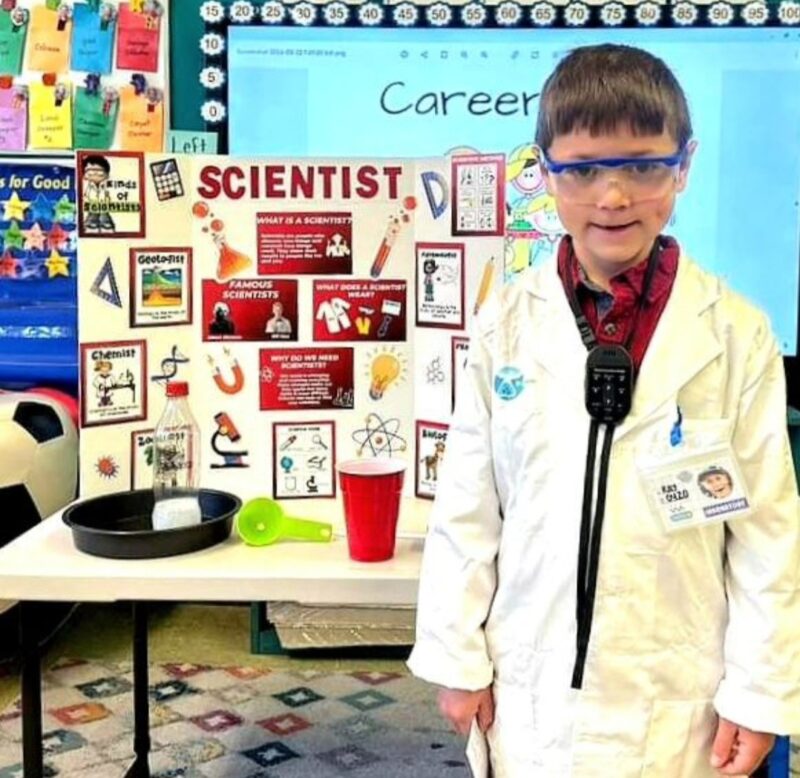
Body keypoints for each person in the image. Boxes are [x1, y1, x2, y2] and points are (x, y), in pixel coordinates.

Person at [408, 44, 799, 777]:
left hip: (678, 689)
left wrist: (760, 691)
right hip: (531, 679)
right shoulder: (507, 325)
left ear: (683, 166)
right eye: (583, 169)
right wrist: (457, 654)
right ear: (545, 173)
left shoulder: (734, 334)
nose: (613, 196)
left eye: (644, 166)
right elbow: (468, 504)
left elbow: (767, 536)